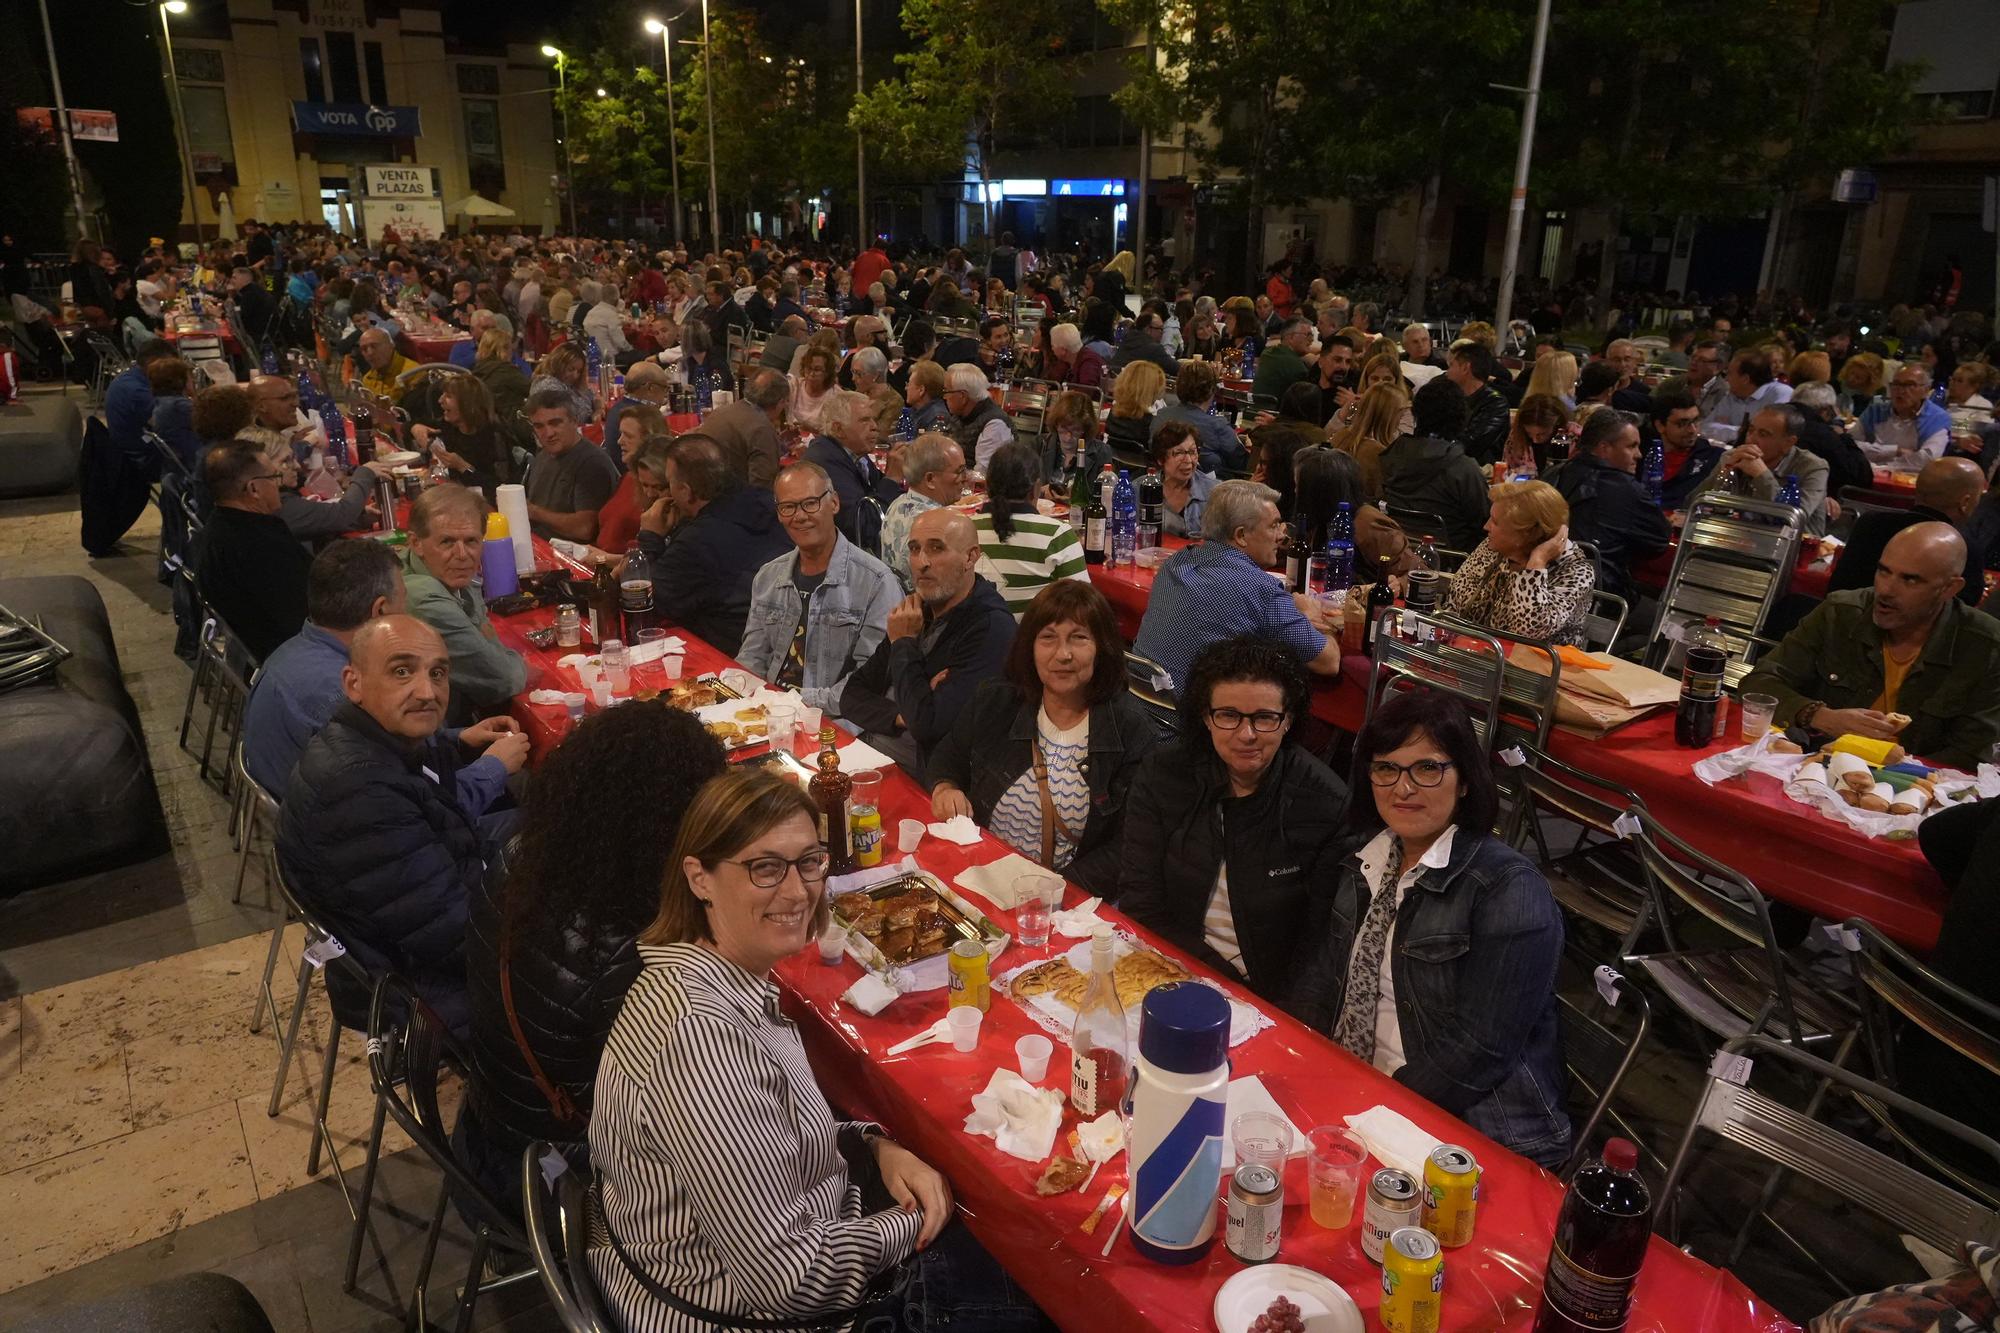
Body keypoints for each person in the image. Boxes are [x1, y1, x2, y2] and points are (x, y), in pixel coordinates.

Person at [590, 766, 1044, 1333]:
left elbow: (777, 1134)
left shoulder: (712, 980)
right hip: (745, 1313)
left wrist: (873, 1145)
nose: (797, 890)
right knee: (1033, 1285)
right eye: (763, 868)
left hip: (778, 1247)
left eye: (808, 862)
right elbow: (791, 1281)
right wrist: (925, 1214)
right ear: (699, 877)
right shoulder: (698, 1039)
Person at [460, 703, 728, 1206]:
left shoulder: (518, 856)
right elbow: (693, 1112)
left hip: (492, 1115)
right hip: (564, 1177)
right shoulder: (636, 955)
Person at [1290, 688, 1570, 1168]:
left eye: (1427, 768)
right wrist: (1291, 1054)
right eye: (1387, 768)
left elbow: (1480, 1050)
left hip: (1466, 1129)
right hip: (1359, 1095)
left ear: (1464, 781)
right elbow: (1325, 978)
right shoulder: (1365, 858)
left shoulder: (1508, 890)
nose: (1403, 788)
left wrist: (1368, 1108)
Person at [276, 616, 528, 1038]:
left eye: (438, 673)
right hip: (414, 991)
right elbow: (458, 939)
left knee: (550, 826)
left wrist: (458, 742)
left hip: (411, 931)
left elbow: (409, 760)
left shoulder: (358, 739)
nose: (427, 692)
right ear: (353, 683)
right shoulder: (358, 795)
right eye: (401, 671)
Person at [1118, 636, 1347, 1001]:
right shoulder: (1163, 775)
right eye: (1227, 715)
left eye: (1265, 717)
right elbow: (1141, 904)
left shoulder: (1324, 804)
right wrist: (1211, 981)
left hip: (1271, 998)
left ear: (1288, 720)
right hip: (1169, 966)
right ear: (1205, 717)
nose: (1246, 735)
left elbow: (1319, 949)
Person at [927, 580, 1157, 894]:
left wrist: (1055, 888)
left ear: (1102, 647)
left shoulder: (1129, 728)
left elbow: (1129, 845)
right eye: (1048, 638)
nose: (1063, 654)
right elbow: (948, 755)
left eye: (1078, 638)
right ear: (1030, 647)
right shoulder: (997, 701)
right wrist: (945, 786)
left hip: (1065, 898)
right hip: (980, 875)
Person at [1740, 523, 2000, 768]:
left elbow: (1970, 757)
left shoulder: (1985, 645)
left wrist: (1889, 772)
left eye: (1909, 580)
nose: (1886, 590)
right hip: (1812, 767)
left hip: (1912, 789)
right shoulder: (1841, 612)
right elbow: (1759, 684)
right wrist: (1821, 716)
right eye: (1884, 571)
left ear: (1949, 588)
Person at [836, 508, 1017, 774]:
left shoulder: (991, 628)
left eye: (936, 548)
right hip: (885, 751)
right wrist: (903, 714)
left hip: (943, 780)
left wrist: (903, 643)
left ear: (971, 557)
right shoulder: (917, 611)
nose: (921, 562)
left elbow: (928, 726)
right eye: (914, 549)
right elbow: (851, 696)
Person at [1134, 479, 1340, 687]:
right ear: (1241, 535)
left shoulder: (1174, 561)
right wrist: (1316, 621)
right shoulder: (1262, 590)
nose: (1281, 536)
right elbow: (1329, 662)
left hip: (1139, 703)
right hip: (1191, 717)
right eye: (1274, 526)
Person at [241, 539, 407, 794]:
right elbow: (413, 789)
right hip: (341, 822)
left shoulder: (291, 651)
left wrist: (457, 739)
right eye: (405, 601)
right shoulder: (347, 696)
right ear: (381, 611)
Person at [737, 461, 901, 712]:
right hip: (767, 712)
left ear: (834, 502)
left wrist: (795, 703)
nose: (800, 516)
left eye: (810, 503)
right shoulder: (768, 577)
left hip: (833, 722)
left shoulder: (876, 582)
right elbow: (752, 659)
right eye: (788, 507)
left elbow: (869, 683)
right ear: (779, 514)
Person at [635, 435, 791, 656]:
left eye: (670, 483)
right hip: (792, 638)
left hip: (738, 655)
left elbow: (647, 599)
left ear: (686, 491)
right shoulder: (766, 499)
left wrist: (650, 537)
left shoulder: (698, 540)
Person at [400, 484, 529, 721]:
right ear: (416, 543)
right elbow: (503, 679)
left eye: (471, 541)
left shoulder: (445, 573)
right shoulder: (423, 597)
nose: (462, 554)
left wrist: (486, 641)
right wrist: (520, 666)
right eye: (447, 542)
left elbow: (484, 631)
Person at [194, 443, 314, 661]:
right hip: (297, 655)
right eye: (274, 477)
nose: (279, 485)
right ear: (254, 489)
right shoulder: (256, 545)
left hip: (274, 647)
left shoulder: (222, 526)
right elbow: (303, 612)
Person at [1443, 481, 1593, 645]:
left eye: (1495, 521)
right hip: (1477, 655)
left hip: (1535, 667)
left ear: (1527, 533)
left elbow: (1529, 630)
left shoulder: (1576, 571)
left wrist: (1536, 564)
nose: (1486, 526)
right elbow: (1455, 601)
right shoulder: (1493, 546)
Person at [1546, 409, 1670, 600]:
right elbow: (1659, 543)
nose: (1639, 454)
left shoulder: (1552, 473)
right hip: (1602, 599)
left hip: (1545, 587)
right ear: (1604, 449)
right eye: (1632, 446)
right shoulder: (1629, 490)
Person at [1829, 456, 1986, 607]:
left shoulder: (1870, 523)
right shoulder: (1963, 548)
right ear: (1965, 502)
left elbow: (1840, 586)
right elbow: (1964, 608)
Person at [973, 441, 1090, 616]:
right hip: (1032, 640)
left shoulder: (965, 529)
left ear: (987, 486)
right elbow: (1082, 607)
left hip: (971, 639)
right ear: (1036, 488)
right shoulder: (1057, 536)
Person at [1380, 376, 1490, 552]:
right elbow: (1486, 523)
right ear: (1461, 418)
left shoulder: (1391, 454)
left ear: (1416, 413)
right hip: (1453, 558)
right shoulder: (1463, 469)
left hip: (1399, 550)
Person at [1694, 403, 1832, 537]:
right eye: (1751, 430)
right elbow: (1692, 504)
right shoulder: (1733, 457)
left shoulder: (1813, 467)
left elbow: (1793, 519)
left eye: (1763, 434)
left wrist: (1761, 475)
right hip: (1737, 540)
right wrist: (1723, 471)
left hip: (1795, 550)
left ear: (1788, 443)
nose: (1751, 439)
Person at [804, 388, 905, 555]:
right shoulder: (825, 462)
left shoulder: (855, 454)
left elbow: (878, 493)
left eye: (873, 419)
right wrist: (892, 478)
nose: (874, 427)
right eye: (865, 420)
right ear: (838, 429)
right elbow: (862, 527)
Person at [523, 385, 622, 541]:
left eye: (555, 423)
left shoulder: (592, 463)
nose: (548, 433)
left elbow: (584, 529)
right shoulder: (543, 456)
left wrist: (533, 512)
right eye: (539, 426)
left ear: (574, 421)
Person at [880, 433, 965, 592]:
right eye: (959, 471)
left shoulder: (896, 503)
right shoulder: (939, 525)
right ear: (930, 479)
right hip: (923, 608)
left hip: (891, 597)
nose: (964, 479)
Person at [412, 372, 514, 500]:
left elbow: (501, 487)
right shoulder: (448, 426)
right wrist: (416, 428)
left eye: (448, 396)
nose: (440, 400)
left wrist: (463, 466)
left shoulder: (494, 436)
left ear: (467, 404)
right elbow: (412, 425)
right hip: (457, 497)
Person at [1154, 358, 1246, 474]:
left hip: (1163, 480)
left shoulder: (1161, 415)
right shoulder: (1218, 426)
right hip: (1211, 487)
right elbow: (1240, 464)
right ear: (1212, 390)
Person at [1856, 366, 1954, 467]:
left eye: (1910, 385)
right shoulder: (1875, 411)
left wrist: (1884, 467)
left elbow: (1927, 459)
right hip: (1869, 475)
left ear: (1926, 390)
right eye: (1896, 384)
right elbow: (1849, 445)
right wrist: (1895, 451)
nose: (1901, 391)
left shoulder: (1937, 418)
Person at [1791, 380, 1874, 497]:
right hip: (1811, 500)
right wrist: (1843, 436)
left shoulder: (1773, 416)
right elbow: (1861, 476)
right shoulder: (1823, 434)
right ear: (1827, 411)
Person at [1648, 383, 1724, 508]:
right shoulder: (1640, 455)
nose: (1692, 430)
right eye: (1682, 423)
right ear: (1660, 426)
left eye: (1695, 421)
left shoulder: (1715, 459)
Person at [1445, 341, 1510, 464]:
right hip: (1451, 462)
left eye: (1451, 365)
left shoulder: (1495, 403)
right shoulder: (1450, 396)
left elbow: (1472, 443)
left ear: (1465, 368)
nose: (1447, 372)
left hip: (1477, 471)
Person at [1150, 420, 1217, 539]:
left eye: (1192, 452)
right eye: (1179, 453)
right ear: (1160, 459)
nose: (1188, 460)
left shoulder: (1214, 492)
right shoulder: (1140, 488)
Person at [943, 363, 1016, 469]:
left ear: (962, 396)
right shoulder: (959, 415)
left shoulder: (995, 425)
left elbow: (982, 476)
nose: (944, 397)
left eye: (947, 391)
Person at [1704, 347, 1792, 432]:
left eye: (1730, 374)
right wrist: (1740, 431)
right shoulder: (1732, 396)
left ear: (1745, 379)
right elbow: (1706, 427)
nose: (1726, 379)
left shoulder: (1780, 393)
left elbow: (1769, 433)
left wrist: (1727, 429)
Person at [1038, 389, 1111, 484]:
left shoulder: (1102, 453)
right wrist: (1042, 491)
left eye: (1076, 430)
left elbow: (1105, 493)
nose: (1068, 437)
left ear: (1086, 429)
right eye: (1063, 428)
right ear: (1055, 424)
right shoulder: (1040, 444)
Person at [1250, 316, 1314, 403]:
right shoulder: (1296, 367)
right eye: (1308, 335)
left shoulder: (1268, 353)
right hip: (1272, 414)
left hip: (1253, 410)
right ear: (1291, 337)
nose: (1311, 339)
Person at [1107, 305, 1178, 378]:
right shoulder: (1154, 349)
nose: (1162, 332)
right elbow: (1177, 369)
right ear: (1148, 329)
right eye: (1160, 329)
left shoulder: (1127, 340)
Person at [356, 327, 417, 404]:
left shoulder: (413, 373)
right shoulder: (368, 379)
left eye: (374, 346)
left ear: (391, 345)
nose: (370, 353)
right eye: (364, 349)